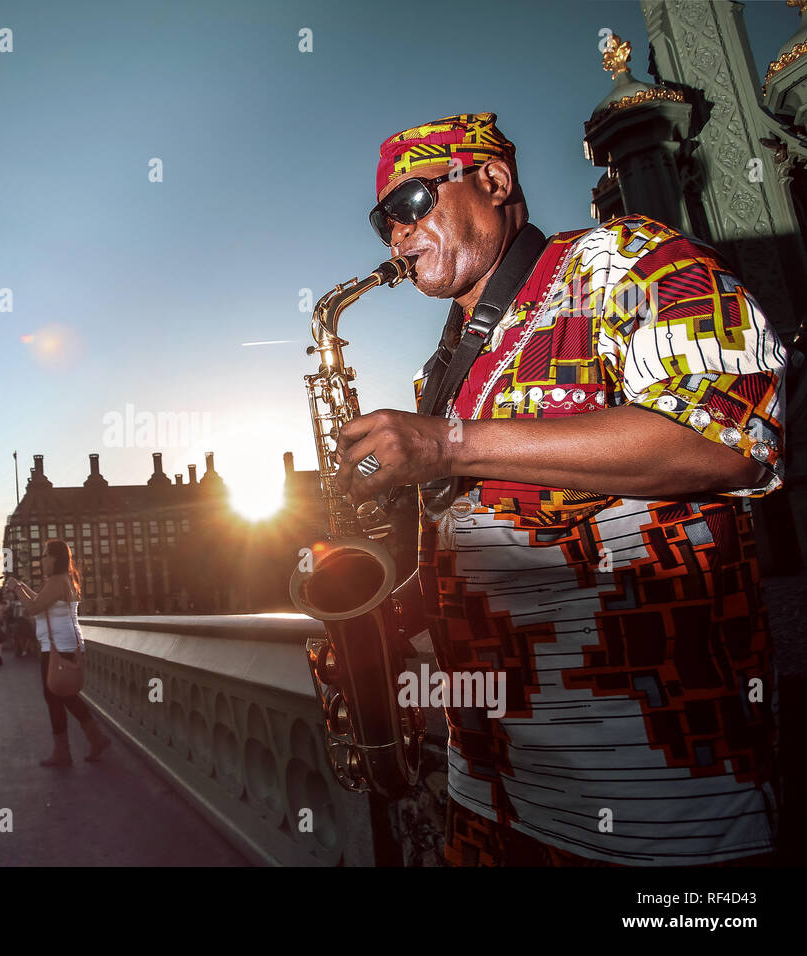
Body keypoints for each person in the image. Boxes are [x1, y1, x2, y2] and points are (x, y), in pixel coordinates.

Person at [332, 113, 785, 866]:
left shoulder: (626, 261)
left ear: (493, 181)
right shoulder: (447, 368)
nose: (396, 238)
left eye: (411, 204)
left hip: (657, 803)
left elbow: (729, 439)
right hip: (487, 790)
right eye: (383, 221)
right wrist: (379, 623)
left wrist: (448, 442)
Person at [7, 539, 110, 767]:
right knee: (64, 695)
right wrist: (22, 587)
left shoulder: (56, 580)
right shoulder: (65, 579)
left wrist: (16, 589)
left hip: (58, 647)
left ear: (55, 558)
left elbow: (33, 608)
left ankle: (64, 752)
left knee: (54, 695)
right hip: (65, 644)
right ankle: (96, 739)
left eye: (45, 555)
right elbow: (41, 601)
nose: (42, 559)